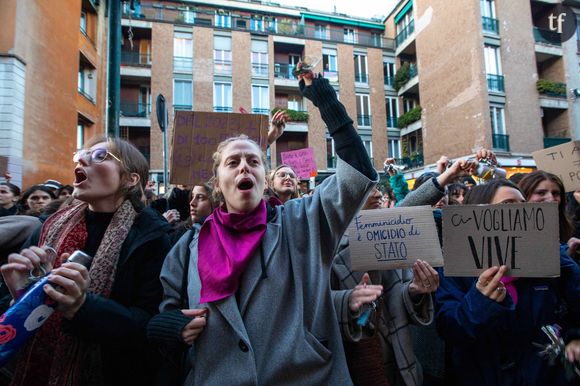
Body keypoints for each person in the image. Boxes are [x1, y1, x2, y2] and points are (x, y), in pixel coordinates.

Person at [148, 71, 379, 385]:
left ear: (263, 177)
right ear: (217, 183)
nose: (244, 166)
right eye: (233, 162)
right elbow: (165, 311)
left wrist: (325, 99)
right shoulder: (187, 247)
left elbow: (356, 174)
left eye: (253, 161)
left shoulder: (301, 220)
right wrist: (173, 326)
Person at [1, 136, 171, 386]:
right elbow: (12, 310)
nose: (81, 159)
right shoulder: (49, 226)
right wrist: (22, 294)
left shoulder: (152, 236)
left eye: (100, 156)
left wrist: (81, 307)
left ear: (131, 179)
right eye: (81, 154)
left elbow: (149, 326)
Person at [435, 179, 580, 386]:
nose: (521, 211)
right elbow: (450, 329)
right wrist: (480, 300)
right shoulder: (455, 268)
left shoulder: (550, 260)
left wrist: (575, 336)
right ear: (479, 215)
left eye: (523, 204)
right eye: (508, 205)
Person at [519, 170, 574, 243]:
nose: (551, 199)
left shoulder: (567, 229)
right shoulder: (511, 233)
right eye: (541, 193)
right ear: (524, 195)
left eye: (555, 193)